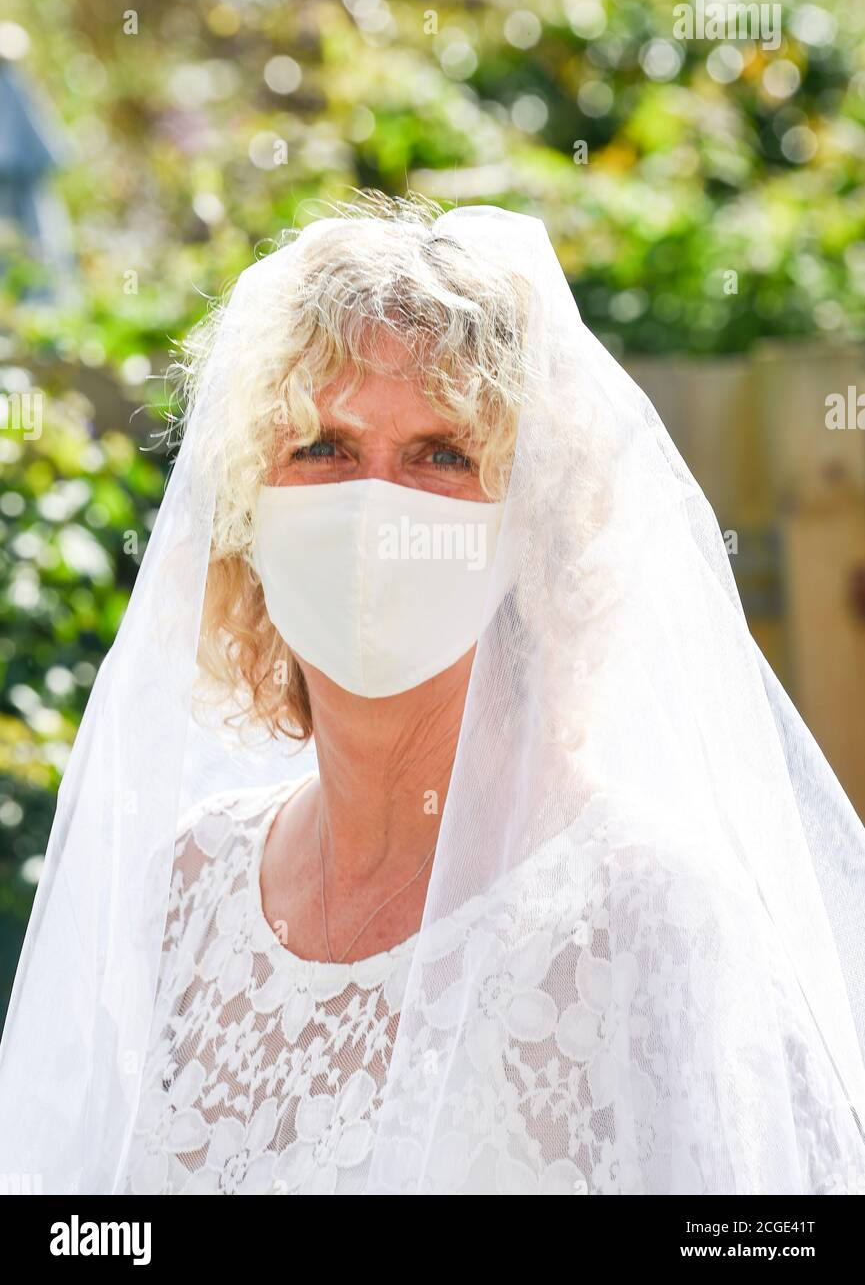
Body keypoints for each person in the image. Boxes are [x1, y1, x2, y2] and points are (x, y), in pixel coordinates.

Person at [1, 191, 864, 1196]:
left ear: (534, 524)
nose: (377, 503)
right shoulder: (188, 889)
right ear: (248, 505)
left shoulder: (648, 918)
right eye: (321, 446)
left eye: (441, 453)